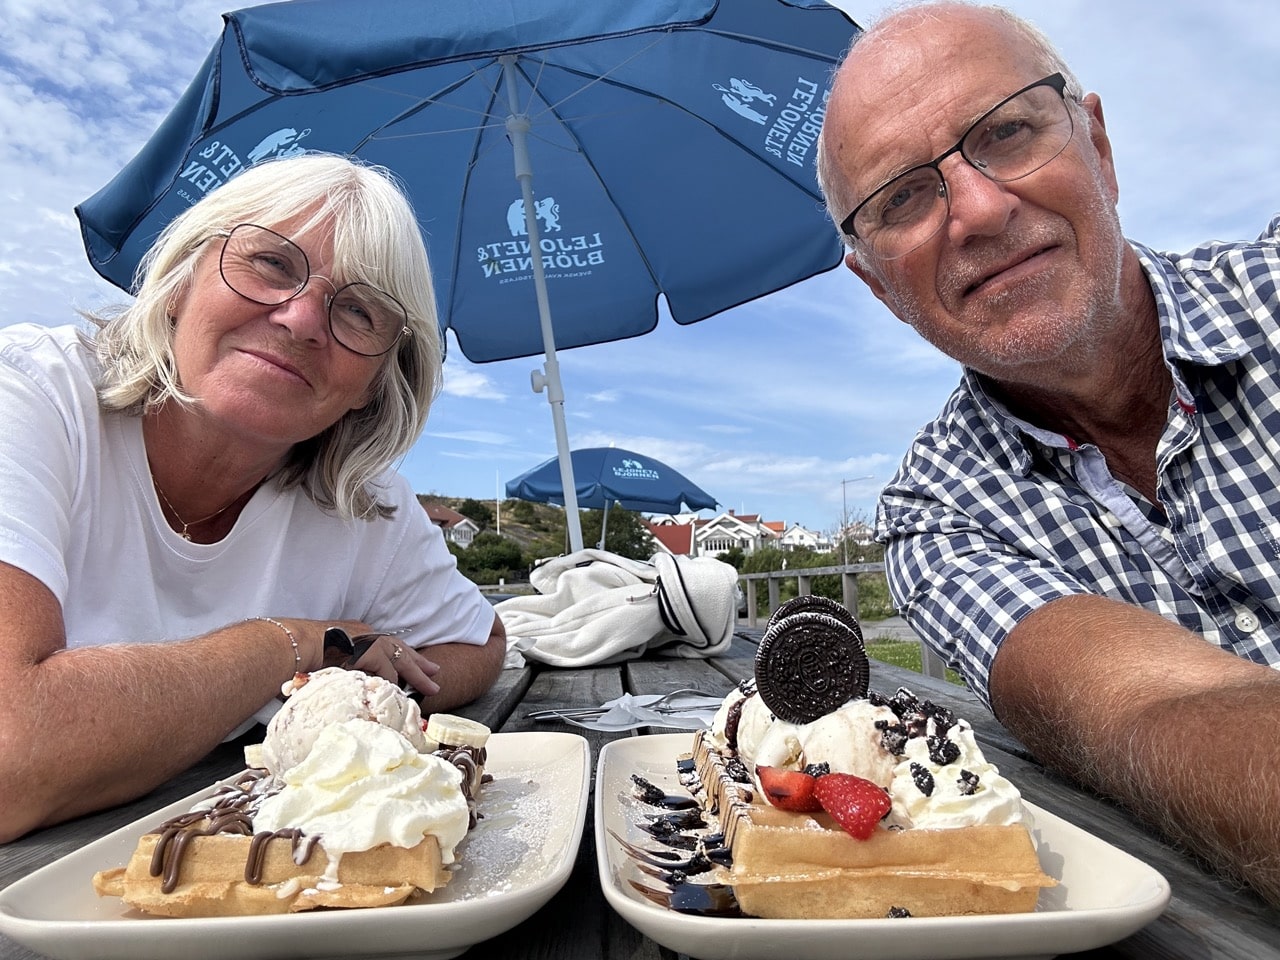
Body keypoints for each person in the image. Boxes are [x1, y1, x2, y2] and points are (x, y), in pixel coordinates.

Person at [816, 2, 1280, 904]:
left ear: (1098, 146)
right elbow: (1143, 714)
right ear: (876, 285)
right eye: (903, 197)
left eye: (1009, 132)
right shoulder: (939, 514)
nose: (980, 210)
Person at [0, 153, 506, 842]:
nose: (301, 319)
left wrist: (356, 691)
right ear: (180, 279)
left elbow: (481, 640)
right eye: (271, 263)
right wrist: (294, 645)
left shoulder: (362, 498)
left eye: (357, 311)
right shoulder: (31, 394)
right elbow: (10, 754)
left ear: (376, 382)